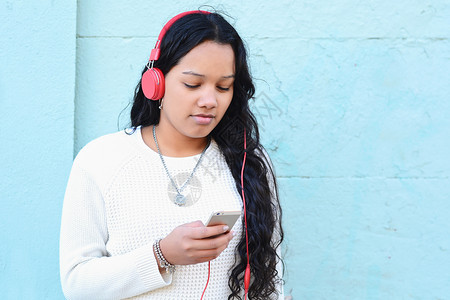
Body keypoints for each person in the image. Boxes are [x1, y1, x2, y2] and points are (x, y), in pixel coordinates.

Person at [60, 10, 284, 300]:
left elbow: (270, 276)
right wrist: (161, 255)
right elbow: (77, 285)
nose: (209, 101)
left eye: (223, 87)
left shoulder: (248, 162)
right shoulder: (100, 160)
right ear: (157, 83)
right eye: (192, 84)